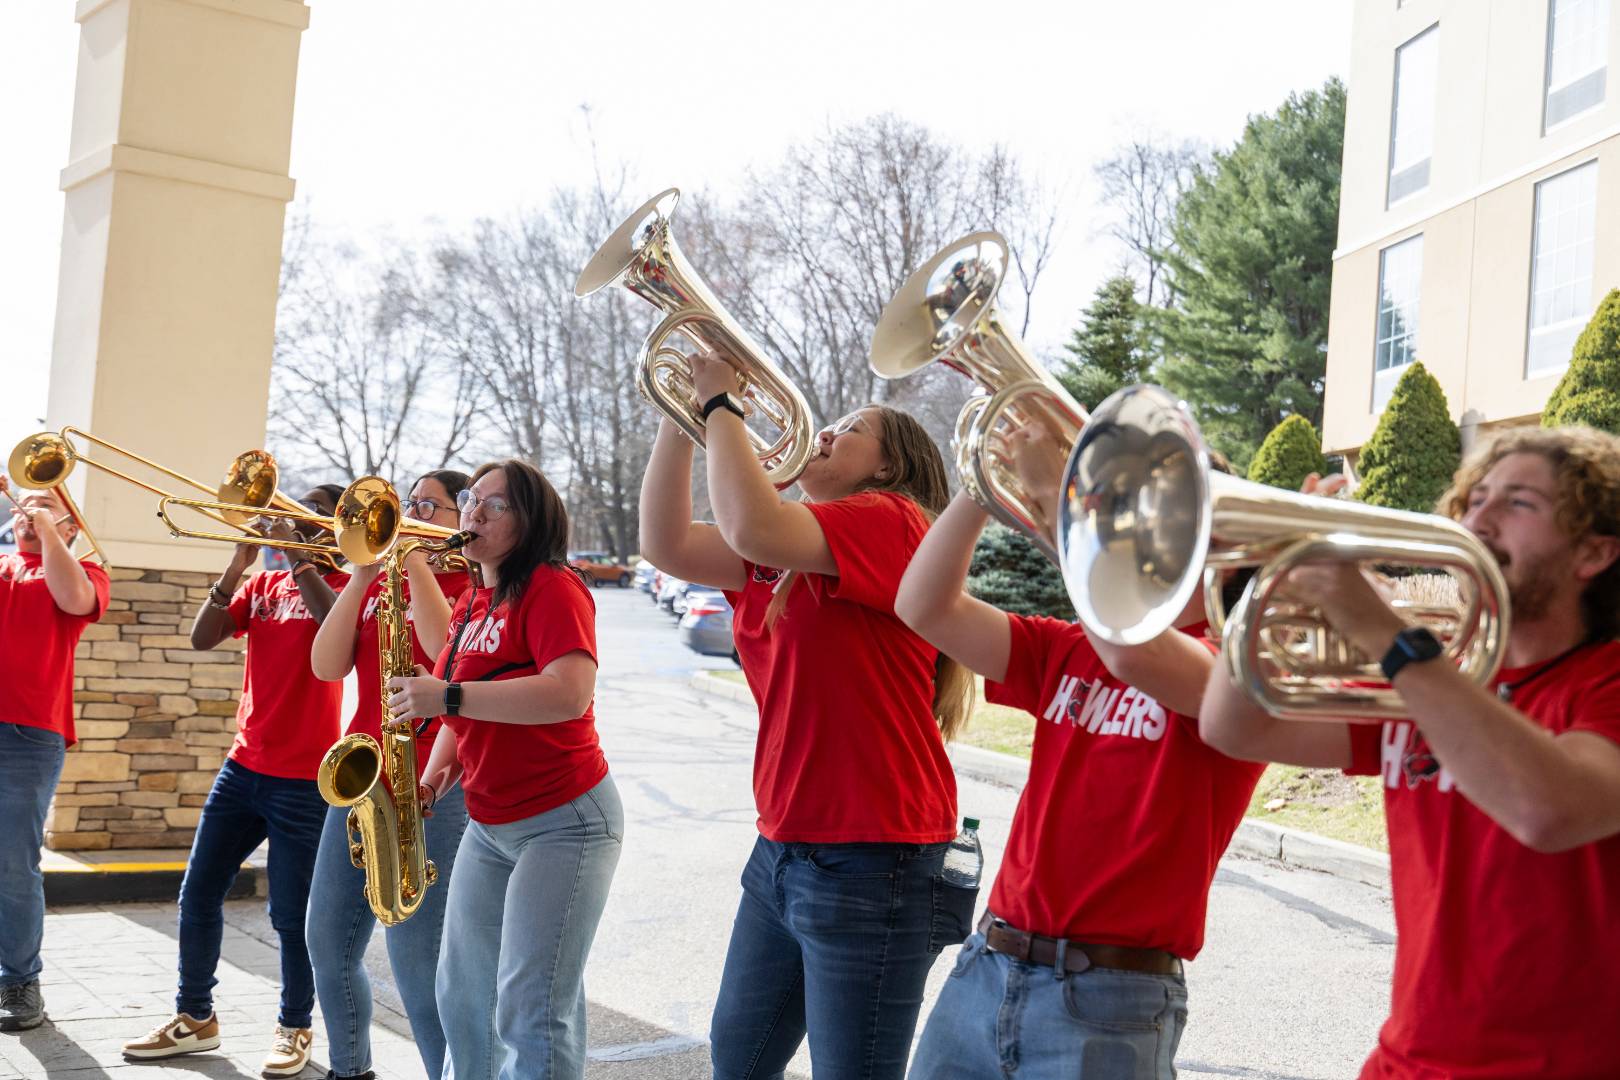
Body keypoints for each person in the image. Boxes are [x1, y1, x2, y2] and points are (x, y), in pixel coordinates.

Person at [1198, 425, 1620, 1079]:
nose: (1479, 517)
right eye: (1475, 498)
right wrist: (1270, 576)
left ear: (1593, 554)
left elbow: (1549, 811)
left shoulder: (1600, 680)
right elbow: (1235, 727)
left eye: (1518, 503)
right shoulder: (1437, 672)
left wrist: (1380, 626)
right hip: (1405, 1062)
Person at [638, 351, 977, 1080]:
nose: (823, 433)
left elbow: (752, 524)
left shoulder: (894, 520)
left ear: (888, 468)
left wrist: (722, 404)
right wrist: (684, 416)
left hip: (875, 855)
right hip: (783, 851)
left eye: (850, 429)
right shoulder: (787, 549)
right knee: (739, 1060)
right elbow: (664, 544)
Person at [895, 424, 1264, 1079]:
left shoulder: (1239, 676)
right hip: (989, 963)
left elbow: (1135, 648)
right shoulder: (1073, 645)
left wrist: (1053, 494)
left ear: (1227, 549)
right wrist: (983, 485)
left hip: (1112, 999)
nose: (1136, 523)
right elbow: (922, 605)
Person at [387, 459, 620, 1080]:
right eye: (470, 500)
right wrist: (436, 778)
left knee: (533, 1007)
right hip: (491, 823)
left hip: (564, 820)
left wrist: (448, 698)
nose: (473, 513)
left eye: (496, 505)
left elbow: (567, 693)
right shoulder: (472, 605)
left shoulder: (553, 586)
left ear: (532, 521)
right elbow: (466, 717)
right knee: (460, 990)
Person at [123, 485, 350, 1079]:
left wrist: (301, 558)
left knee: (289, 915)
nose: (289, 528)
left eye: (306, 521)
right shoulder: (264, 587)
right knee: (197, 895)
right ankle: (194, 1018)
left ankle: (294, 1027)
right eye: (289, 518)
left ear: (334, 531)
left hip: (305, 780)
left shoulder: (349, 592)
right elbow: (202, 637)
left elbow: (340, 640)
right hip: (243, 767)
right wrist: (236, 565)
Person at [306, 470, 474, 1080]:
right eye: (409, 504)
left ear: (461, 518)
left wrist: (410, 559)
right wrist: (360, 573)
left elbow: (446, 650)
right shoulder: (379, 579)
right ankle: (350, 1070)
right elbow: (327, 666)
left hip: (432, 779)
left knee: (418, 961)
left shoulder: (468, 586)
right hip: (362, 773)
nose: (411, 513)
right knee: (325, 940)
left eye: (430, 505)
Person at [0, 477, 109, 1032]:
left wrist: (48, 534)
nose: (27, 510)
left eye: (44, 506)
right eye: (23, 505)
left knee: (13, 866)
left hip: (26, 736)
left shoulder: (84, 571)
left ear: (71, 527)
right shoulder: (1, 564)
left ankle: (19, 980)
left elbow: (75, 600)